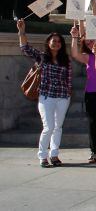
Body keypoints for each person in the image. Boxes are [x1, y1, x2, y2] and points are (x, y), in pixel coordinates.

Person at [17, 20, 72, 168]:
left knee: (58, 127)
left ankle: (54, 155)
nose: (56, 44)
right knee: (48, 127)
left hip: (62, 97)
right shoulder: (42, 57)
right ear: (48, 43)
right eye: (53, 41)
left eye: (59, 42)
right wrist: (22, 31)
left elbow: (68, 79)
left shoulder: (65, 60)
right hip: (46, 97)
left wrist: (68, 94)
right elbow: (25, 48)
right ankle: (42, 156)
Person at [69, 26, 96, 163]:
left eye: (91, 39)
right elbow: (75, 54)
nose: (89, 42)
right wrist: (74, 37)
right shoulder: (89, 57)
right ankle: (94, 152)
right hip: (92, 94)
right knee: (93, 124)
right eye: (86, 41)